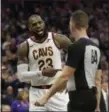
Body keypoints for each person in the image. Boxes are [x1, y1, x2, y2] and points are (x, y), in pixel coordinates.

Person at [35, 10, 102, 112]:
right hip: (91, 99)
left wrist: (46, 97)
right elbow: (97, 81)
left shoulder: (76, 47)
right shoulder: (96, 48)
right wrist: (97, 106)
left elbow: (64, 76)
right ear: (86, 26)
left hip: (79, 99)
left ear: (72, 24)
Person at [17, 14, 72, 111]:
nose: (38, 26)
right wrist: (42, 73)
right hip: (36, 92)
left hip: (57, 91)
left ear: (44, 23)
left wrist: (70, 81)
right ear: (29, 28)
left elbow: (76, 56)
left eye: (40, 22)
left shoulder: (58, 38)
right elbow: (21, 77)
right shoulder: (24, 47)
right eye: (34, 24)